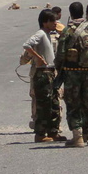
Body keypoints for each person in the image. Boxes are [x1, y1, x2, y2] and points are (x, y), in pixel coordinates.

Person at [56, 3, 88, 147]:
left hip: (72, 73)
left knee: (73, 103)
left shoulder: (68, 30)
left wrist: (59, 68)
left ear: (70, 14)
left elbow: (61, 53)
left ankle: (78, 138)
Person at [21, 9, 63, 142]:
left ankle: (53, 132)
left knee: (54, 104)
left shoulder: (48, 34)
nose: (55, 23)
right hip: (43, 73)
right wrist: (38, 57)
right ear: (45, 22)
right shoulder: (40, 34)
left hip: (50, 72)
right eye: (52, 21)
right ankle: (40, 134)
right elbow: (27, 45)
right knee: (43, 105)